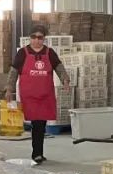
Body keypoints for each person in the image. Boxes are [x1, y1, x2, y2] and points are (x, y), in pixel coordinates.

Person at [5, 27, 69, 164]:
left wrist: (65, 80)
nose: (36, 40)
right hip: (30, 95)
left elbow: (59, 67)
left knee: (41, 123)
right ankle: (37, 153)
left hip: (45, 95)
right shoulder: (22, 53)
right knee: (36, 123)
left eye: (40, 37)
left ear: (44, 38)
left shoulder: (50, 53)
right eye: (34, 37)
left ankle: (38, 153)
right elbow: (13, 72)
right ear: (30, 38)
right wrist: (9, 89)